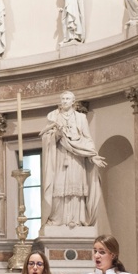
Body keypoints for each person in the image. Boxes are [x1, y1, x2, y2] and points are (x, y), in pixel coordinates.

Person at [40, 91, 106, 228]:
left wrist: (92, 155)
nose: (64, 101)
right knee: (58, 187)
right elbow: (46, 138)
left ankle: (76, 219)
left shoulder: (81, 118)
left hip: (77, 158)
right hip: (59, 156)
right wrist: (56, 134)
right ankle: (58, 219)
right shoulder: (53, 116)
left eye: (67, 99)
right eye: (62, 98)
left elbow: (87, 138)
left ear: (73, 101)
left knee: (76, 188)